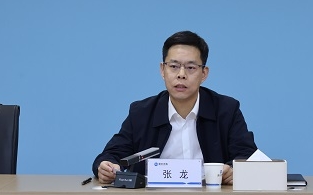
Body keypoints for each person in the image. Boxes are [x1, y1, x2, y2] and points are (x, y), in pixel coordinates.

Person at [92, 30, 257, 185]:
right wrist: (107, 166)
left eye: (191, 67)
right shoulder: (142, 113)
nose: (181, 74)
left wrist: (233, 170)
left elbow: (247, 156)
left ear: (204, 73)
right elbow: (111, 154)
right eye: (174, 66)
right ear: (162, 70)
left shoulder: (226, 110)